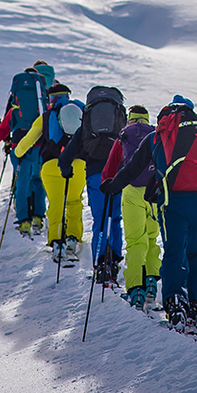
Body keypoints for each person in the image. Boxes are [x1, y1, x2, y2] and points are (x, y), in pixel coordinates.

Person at [113, 94, 197, 328]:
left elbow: (133, 168)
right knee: (195, 252)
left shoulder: (158, 136)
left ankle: (175, 303)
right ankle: (194, 304)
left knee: (174, 252)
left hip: (172, 202)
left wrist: (112, 185)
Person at [16, 82, 86, 265]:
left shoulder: (46, 116)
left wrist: (17, 152)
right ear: (68, 96)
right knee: (74, 201)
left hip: (51, 164)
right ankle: (73, 238)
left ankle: (56, 241)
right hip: (78, 164)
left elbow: (27, 142)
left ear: (50, 99)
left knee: (56, 203)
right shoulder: (81, 112)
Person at [100, 104, 161, 308]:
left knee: (135, 241)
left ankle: (136, 290)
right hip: (154, 193)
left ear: (130, 118)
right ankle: (151, 282)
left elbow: (110, 169)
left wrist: (108, 184)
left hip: (132, 193)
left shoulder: (124, 136)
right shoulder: (155, 135)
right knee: (151, 238)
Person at [72, 86, 129, 284]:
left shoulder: (87, 125)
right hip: (118, 175)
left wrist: (67, 166)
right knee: (115, 218)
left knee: (100, 219)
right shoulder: (121, 121)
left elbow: (70, 152)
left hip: (96, 174)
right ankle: (114, 260)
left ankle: (100, 262)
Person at [3, 65, 50, 235]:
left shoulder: (16, 100)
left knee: (22, 183)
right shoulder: (42, 97)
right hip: (39, 144)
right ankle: (38, 217)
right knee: (38, 180)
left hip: (19, 145)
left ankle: (24, 221)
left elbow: (4, 126)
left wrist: (2, 136)